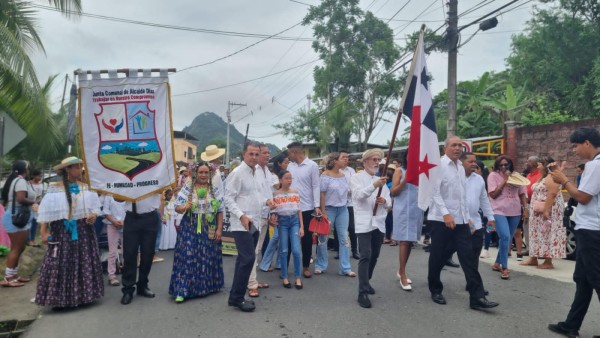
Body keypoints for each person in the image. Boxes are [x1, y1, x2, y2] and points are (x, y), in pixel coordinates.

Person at [428, 137, 498, 310]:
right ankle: (435, 289)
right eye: (454, 145)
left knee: (468, 258)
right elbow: (434, 193)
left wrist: (467, 218)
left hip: (461, 222)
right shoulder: (438, 166)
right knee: (438, 256)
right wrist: (446, 214)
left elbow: (462, 197)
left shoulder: (460, 167)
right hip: (440, 220)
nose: (457, 148)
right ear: (445, 148)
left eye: (460, 145)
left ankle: (477, 297)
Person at [547, 127, 600, 338]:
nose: (574, 151)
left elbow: (583, 197)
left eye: (576, 146)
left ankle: (571, 324)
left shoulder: (595, 166)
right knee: (583, 279)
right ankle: (571, 324)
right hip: (590, 228)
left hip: (591, 230)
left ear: (587, 143)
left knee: (596, 279)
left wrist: (563, 179)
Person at [35, 157, 103, 309]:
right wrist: (43, 232)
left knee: (83, 259)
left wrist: (93, 215)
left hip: (84, 230)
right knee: (61, 261)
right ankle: (60, 299)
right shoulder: (54, 188)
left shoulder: (86, 187)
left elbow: (95, 208)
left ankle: (84, 295)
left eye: (80, 167)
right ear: (67, 169)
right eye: (77, 167)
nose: (80, 170)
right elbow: (46, 211)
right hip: (62, 231)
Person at [225, 141, 274, 312]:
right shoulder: (237, 173)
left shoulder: (257, 173)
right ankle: (238, 298)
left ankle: (234, 296)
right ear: (244, 154)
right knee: (247, 259)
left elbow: (255, 196)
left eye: (256, 154)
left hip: (255, 222)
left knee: (244, 259)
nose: (254, 157)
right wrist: (241, 215)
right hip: (242, 224)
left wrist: (267, 201)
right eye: (250, 154)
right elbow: (228, 198)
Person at [170, 162, 224, 303]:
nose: (203, 175)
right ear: (195, 173)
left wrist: (219, 229)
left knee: (207, 256)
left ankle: (206, 287)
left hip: (209, 226)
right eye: (201, 172)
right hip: (190, 225)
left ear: (210, 174)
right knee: (187, 256)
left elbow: (220, 210)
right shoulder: (188, 188)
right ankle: (182, 289)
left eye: (206, 172)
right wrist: (184, 208)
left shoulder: (215, 189)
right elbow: (176, 207)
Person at [351, 148, 391, 308]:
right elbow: (358, 195)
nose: (376, 162)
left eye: (378, 160)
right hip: (364, 221)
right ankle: (362, 292)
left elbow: (389, 201)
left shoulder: (381, 180)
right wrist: (374, 186)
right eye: (373, 159)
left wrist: (385, 201)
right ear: (366, 161)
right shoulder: (357, 178)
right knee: (365, 255)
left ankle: (366, 281)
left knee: (375, 255)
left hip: (379, 221)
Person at [487, 155, 529, 280]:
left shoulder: (517, 176)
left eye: (507, 164)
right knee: (505, 236)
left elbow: (522, 193)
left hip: (515, 211)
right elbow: (493, 195)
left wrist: (525, 209)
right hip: (499, 210)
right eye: (501, 165)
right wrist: (505, 180)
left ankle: (496, 263)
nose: (504, 167)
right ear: (497, 166)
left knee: (507, 238)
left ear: (511, 165)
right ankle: (504, 267)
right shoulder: (493, 176)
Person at [521, 156, 566, 269]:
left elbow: (552, 193)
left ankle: (548, 261)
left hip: (548, 210)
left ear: (545, 165)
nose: (538, 165)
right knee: (536, 233)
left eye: (540, 163)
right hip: (537, 210)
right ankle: (533, 258)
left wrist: (546, 210)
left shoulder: (551, 177)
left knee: (547, 234)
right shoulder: (543, 176)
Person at [315, 152, 355, 277]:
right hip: (329, 209)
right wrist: (323, 212)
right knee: (323, 238)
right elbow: (322, 194)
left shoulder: (343, 176)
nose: (345, 161)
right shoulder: (325, 176)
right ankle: (320, 265)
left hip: (343, 209)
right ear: (334, 161)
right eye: (342, 159)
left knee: (344, 238)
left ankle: (345, 268)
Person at [286, 142, 321, 279]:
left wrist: (316, 206)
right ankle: (284, 267)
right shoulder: (290, 166)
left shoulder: (312, 166)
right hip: (291, 207)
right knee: (289, 238)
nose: (288, 156)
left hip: (307, 208)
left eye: (289, 153)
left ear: (295, 152)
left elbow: (316, 186)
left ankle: (305, 267)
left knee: (306, 239)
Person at [120, 192, 162, 305]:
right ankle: (128, 289)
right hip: (131, 218)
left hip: (150, 217)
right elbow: (117, 198)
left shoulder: (155, 174)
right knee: (129, 254)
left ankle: (143, 285)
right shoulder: (126, 176)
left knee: (148, 254)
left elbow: (163, 188)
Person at [247, 144, 276, 297]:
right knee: (252, 251)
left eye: (267, 153)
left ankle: (253, 280)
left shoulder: (268, 172)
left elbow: (269, 193)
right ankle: (251, 284)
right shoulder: (253, 171)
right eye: (263, 153)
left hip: (265, 214)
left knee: (257, 250)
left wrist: (272, 212)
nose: (266, 155)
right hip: (254, 216)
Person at [1, 160, 37, 287]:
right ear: (25, 169)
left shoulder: (16, 180)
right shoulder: (20, 181)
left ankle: (14, 274)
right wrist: (34, 202)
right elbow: (21, 199)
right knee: (16, 248)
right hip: (16, 218)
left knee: (20, 247)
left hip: (18, 217)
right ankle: (9, 278)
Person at [391, 152, 424, 291]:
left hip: (416, 209)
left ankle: (401, 269)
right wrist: (406, 180)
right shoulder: (400, 170)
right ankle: (403, 275)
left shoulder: (422, 172)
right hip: (403, 210)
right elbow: (393, 191)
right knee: (404, 241)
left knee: (410, 241)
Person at [462, 152, 495, 279]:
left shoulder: (479, 179)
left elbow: (484, 200)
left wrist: (490, 218)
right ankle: (435, 282)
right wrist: (466, 218)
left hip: (476, 223)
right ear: (461, 163)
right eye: (470, 162)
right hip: (459, 223)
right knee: (444, 254)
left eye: (475, 161)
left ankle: (473, 284)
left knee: (474, 254)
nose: (474, 164)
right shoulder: (456, 178)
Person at [271, 170, 304, 289]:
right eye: (286, 178)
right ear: (280, 180)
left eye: (290, 178)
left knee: (296, 250)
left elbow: (299, 210)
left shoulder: (295, 192)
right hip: (283, 223)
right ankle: (284, 277)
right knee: (284, 250)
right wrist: (273, 219)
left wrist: (302, 227)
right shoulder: (275, 194)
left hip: (294, 221)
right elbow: (274, 211)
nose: (289, 180)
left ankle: (297, 277)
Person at [260, 152, 289, 272]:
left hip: (284, 208)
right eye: (286, 162)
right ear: (279, 163)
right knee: (276, 237)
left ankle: (278, 263)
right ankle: (265, 262)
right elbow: (279, 188)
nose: (288, 164)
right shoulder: (273, 175)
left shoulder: (281, 175)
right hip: (274, 209)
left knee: (281, 237)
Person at [340, 150, 359, 260]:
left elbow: (355, 185)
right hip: (338, 203)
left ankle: (355, 250)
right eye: (343, 157)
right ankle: (339, 250)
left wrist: (349, 190)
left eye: (347, 157)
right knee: (340, 229)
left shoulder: (351, 171)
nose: (346, 159)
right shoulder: (334, 170)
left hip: (350, 203)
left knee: (352, 228)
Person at [103, 194, 126, 286]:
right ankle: (111, 276)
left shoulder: (127, 194)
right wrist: (114, 221)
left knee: (127, 251)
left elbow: (130, 210)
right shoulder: (108, 195)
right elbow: (106, 211)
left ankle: (127, 272)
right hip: (111, 224)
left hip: (126, 224)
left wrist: (124, 221)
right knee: (112, 251)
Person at [27, 169, 44, 247]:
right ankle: (28, 240)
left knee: (34, 223)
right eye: (39, 176)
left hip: (37, 205)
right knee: (28, 223)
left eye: (41, 176)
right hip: (28, 205)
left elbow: (40, 195)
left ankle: (32, 239)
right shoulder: (28, 184)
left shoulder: (41, 184)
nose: (40, 177)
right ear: (33, 176)